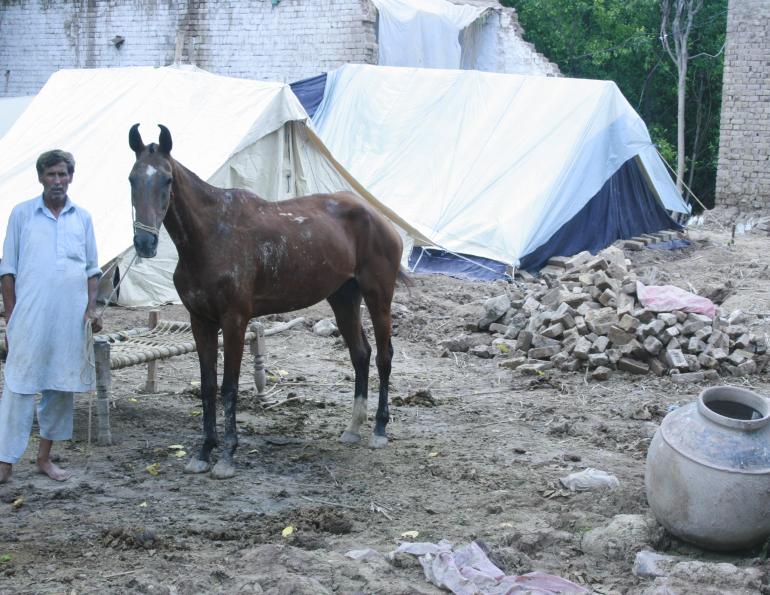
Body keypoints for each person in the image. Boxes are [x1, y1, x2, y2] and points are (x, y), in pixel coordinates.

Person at [0, 150, 102, 483]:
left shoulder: (82, 217)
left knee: (60, 387)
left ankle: (44, 458)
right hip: (29, 317)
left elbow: (92, 271)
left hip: (69, 320)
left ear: (71, 177)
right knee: (18, 388)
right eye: (51, 175)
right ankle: (5, 463)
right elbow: (8, 272)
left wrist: (91, 308)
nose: (57, 181)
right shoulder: (22, 215)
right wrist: (11, 318)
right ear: (41, 177)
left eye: (62, 174)